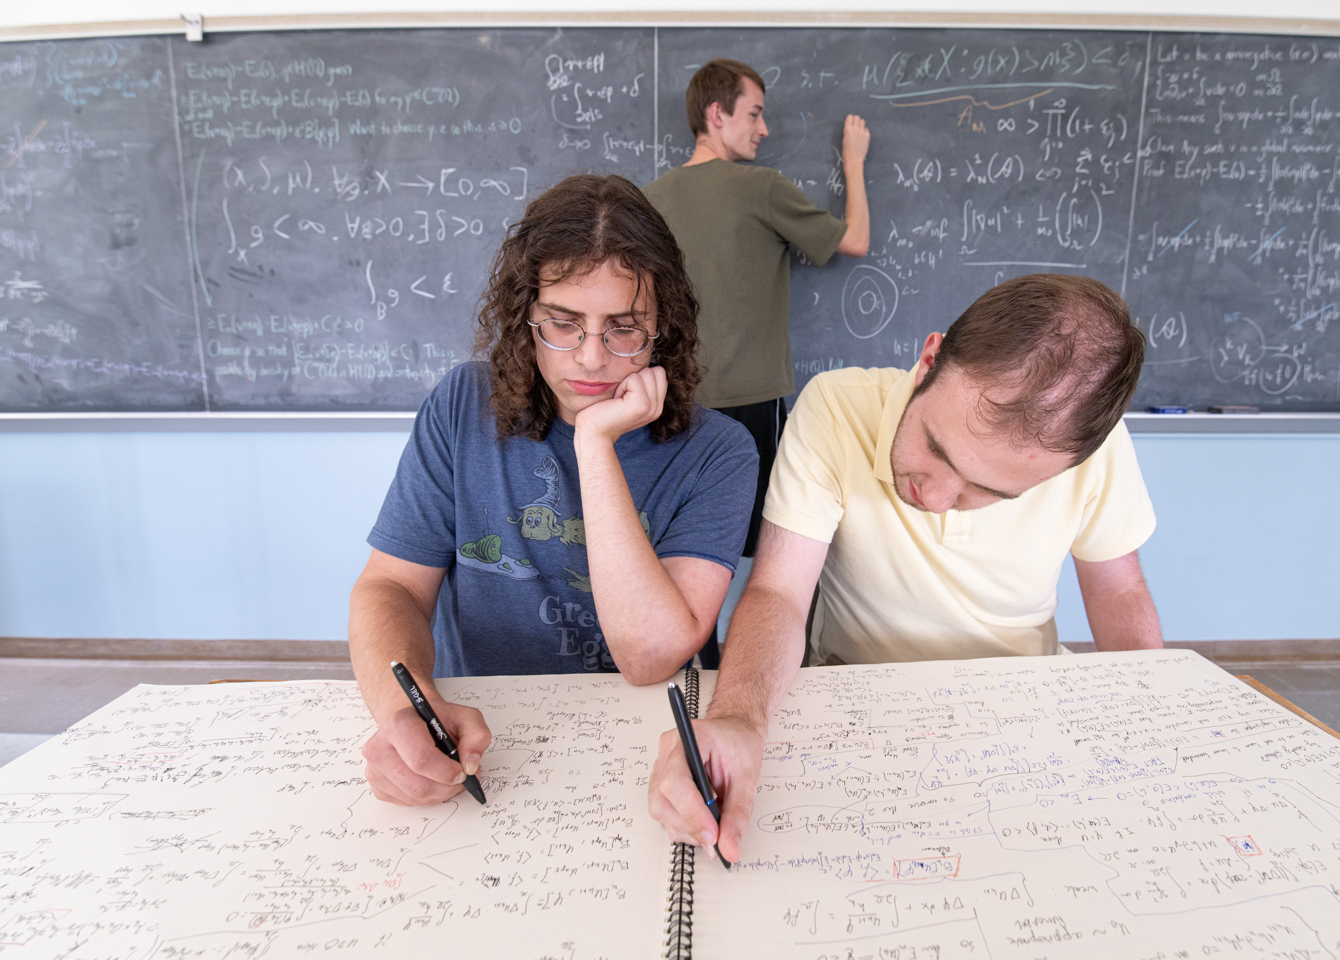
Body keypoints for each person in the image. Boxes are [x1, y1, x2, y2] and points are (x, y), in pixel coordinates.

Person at [647, 273, 1164, 861]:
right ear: (929, 359)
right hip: (854, 706)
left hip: (1021, 714)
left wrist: (1147, 716)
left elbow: (1118, 589)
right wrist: (738, 716)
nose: (937, 498)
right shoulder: (836, 407)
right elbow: (778, 593)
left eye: (990, 490)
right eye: (937, 449)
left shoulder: (1096, 448)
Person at [350, 174, 759, 806]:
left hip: (652, 750)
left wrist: (593, 445)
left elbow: (649, 656)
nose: (592, 358)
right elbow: (392, 586)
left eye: (624, 328)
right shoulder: (463, 405)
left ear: (663, 328)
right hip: (486, 738)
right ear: (525, 318)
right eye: (562, 325)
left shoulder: (720, 452)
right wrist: (403, 710)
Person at [644, 57, 872, 557]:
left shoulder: (649, 201)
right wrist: (853, 161)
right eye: (754, 114)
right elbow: (855, 239)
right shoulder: (762, 188)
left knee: (680, 542)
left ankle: (693, 637)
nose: (764, 129)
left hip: (669, 401)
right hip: (751, 403)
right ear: (716, 114)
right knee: (763, 548)